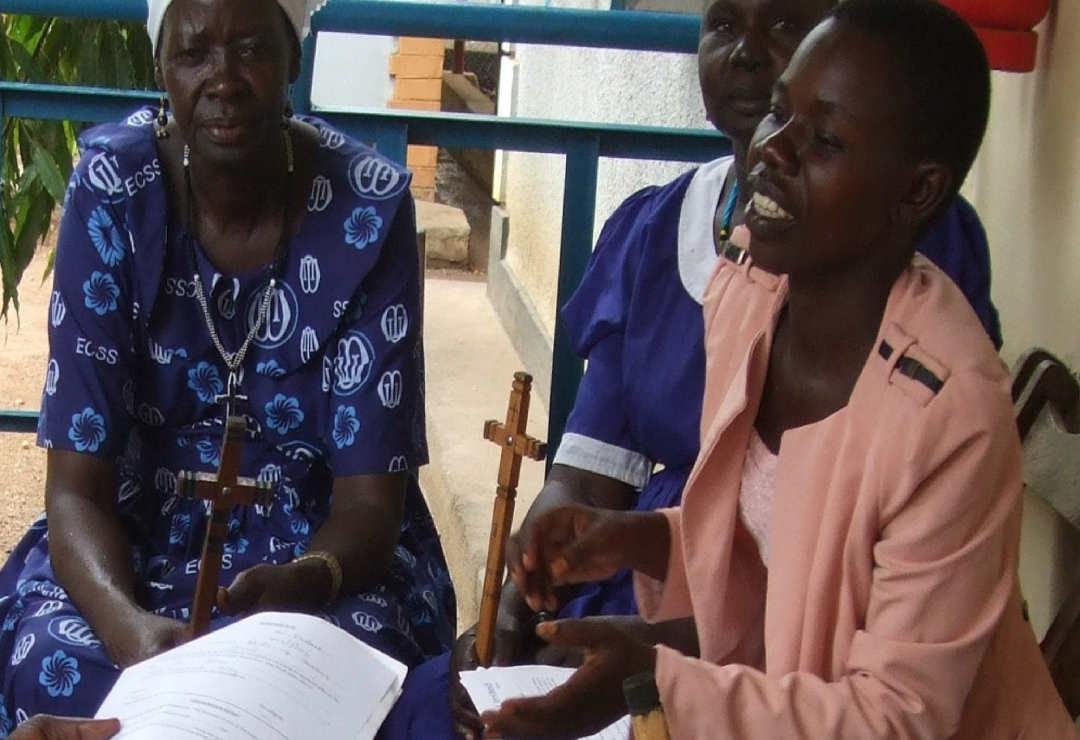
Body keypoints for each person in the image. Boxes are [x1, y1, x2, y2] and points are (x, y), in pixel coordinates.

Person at [381, 0, 1002, 737]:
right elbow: (771, 553)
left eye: (824, 139)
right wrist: (633, 540)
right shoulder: (752, 285)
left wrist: (651, 682)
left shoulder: (947, 414)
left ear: (917, 191)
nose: (773, 149)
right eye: (779, 114)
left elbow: (895, 714)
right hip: (730, 664)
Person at [0, 0, 455, 730]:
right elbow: (77, 492)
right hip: (133, 537)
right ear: (160, 67)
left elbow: (371, 504)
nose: (223, 79)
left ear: (293, 60)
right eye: (193, 53)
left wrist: (306, 584)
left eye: (249, 49)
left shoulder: (367, 207)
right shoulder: (112, 190)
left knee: (355, 680)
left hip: (320, 556)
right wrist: (128, 632)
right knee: (53, 663)